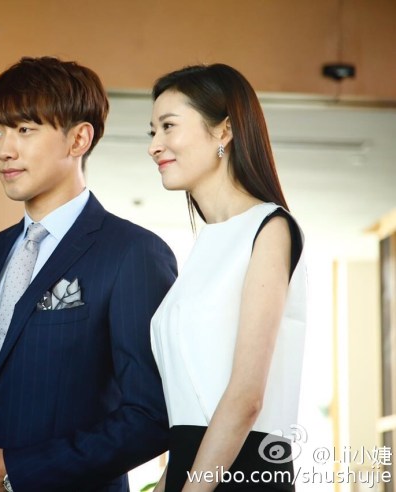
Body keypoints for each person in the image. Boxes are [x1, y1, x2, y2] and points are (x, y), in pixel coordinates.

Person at [0, 56, 177, 492]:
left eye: (24, 130)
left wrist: (14, 471)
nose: (4, 150)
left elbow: (150, 417)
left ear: (78, 139)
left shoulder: (133, 254)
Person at [147, 63, 307, 491]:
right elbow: (193, 412)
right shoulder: (206, 246)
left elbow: (246, 398)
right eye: (152, 131)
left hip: (243, 475)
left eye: (168, 126)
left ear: (224, 131)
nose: (154, 145)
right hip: (196, 470)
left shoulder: (269, 228)